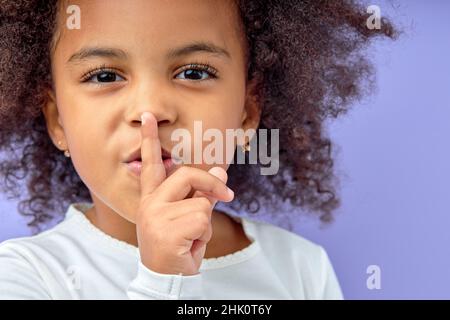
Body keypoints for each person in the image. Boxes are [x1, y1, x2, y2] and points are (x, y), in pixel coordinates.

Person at [0, 0, 396, 299]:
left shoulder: (300, 268)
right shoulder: (27, 275)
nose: (150, 110)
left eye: (194, 72)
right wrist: (164, 280)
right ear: (57, 121)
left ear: (246, 112)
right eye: (104, 75)